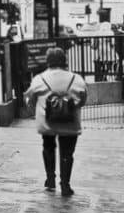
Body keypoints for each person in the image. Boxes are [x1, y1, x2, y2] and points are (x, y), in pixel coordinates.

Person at [23, 46, 88, 197]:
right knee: (67, 153)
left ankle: (50, 179)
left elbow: (29, 99)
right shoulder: (76, 79)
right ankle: (65, 185)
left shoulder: (40, 79)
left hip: (47, 123)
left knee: (48, 147)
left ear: (48, 61)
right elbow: (83, 98)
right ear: (64, 61)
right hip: (70, 123)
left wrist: (35, 109)